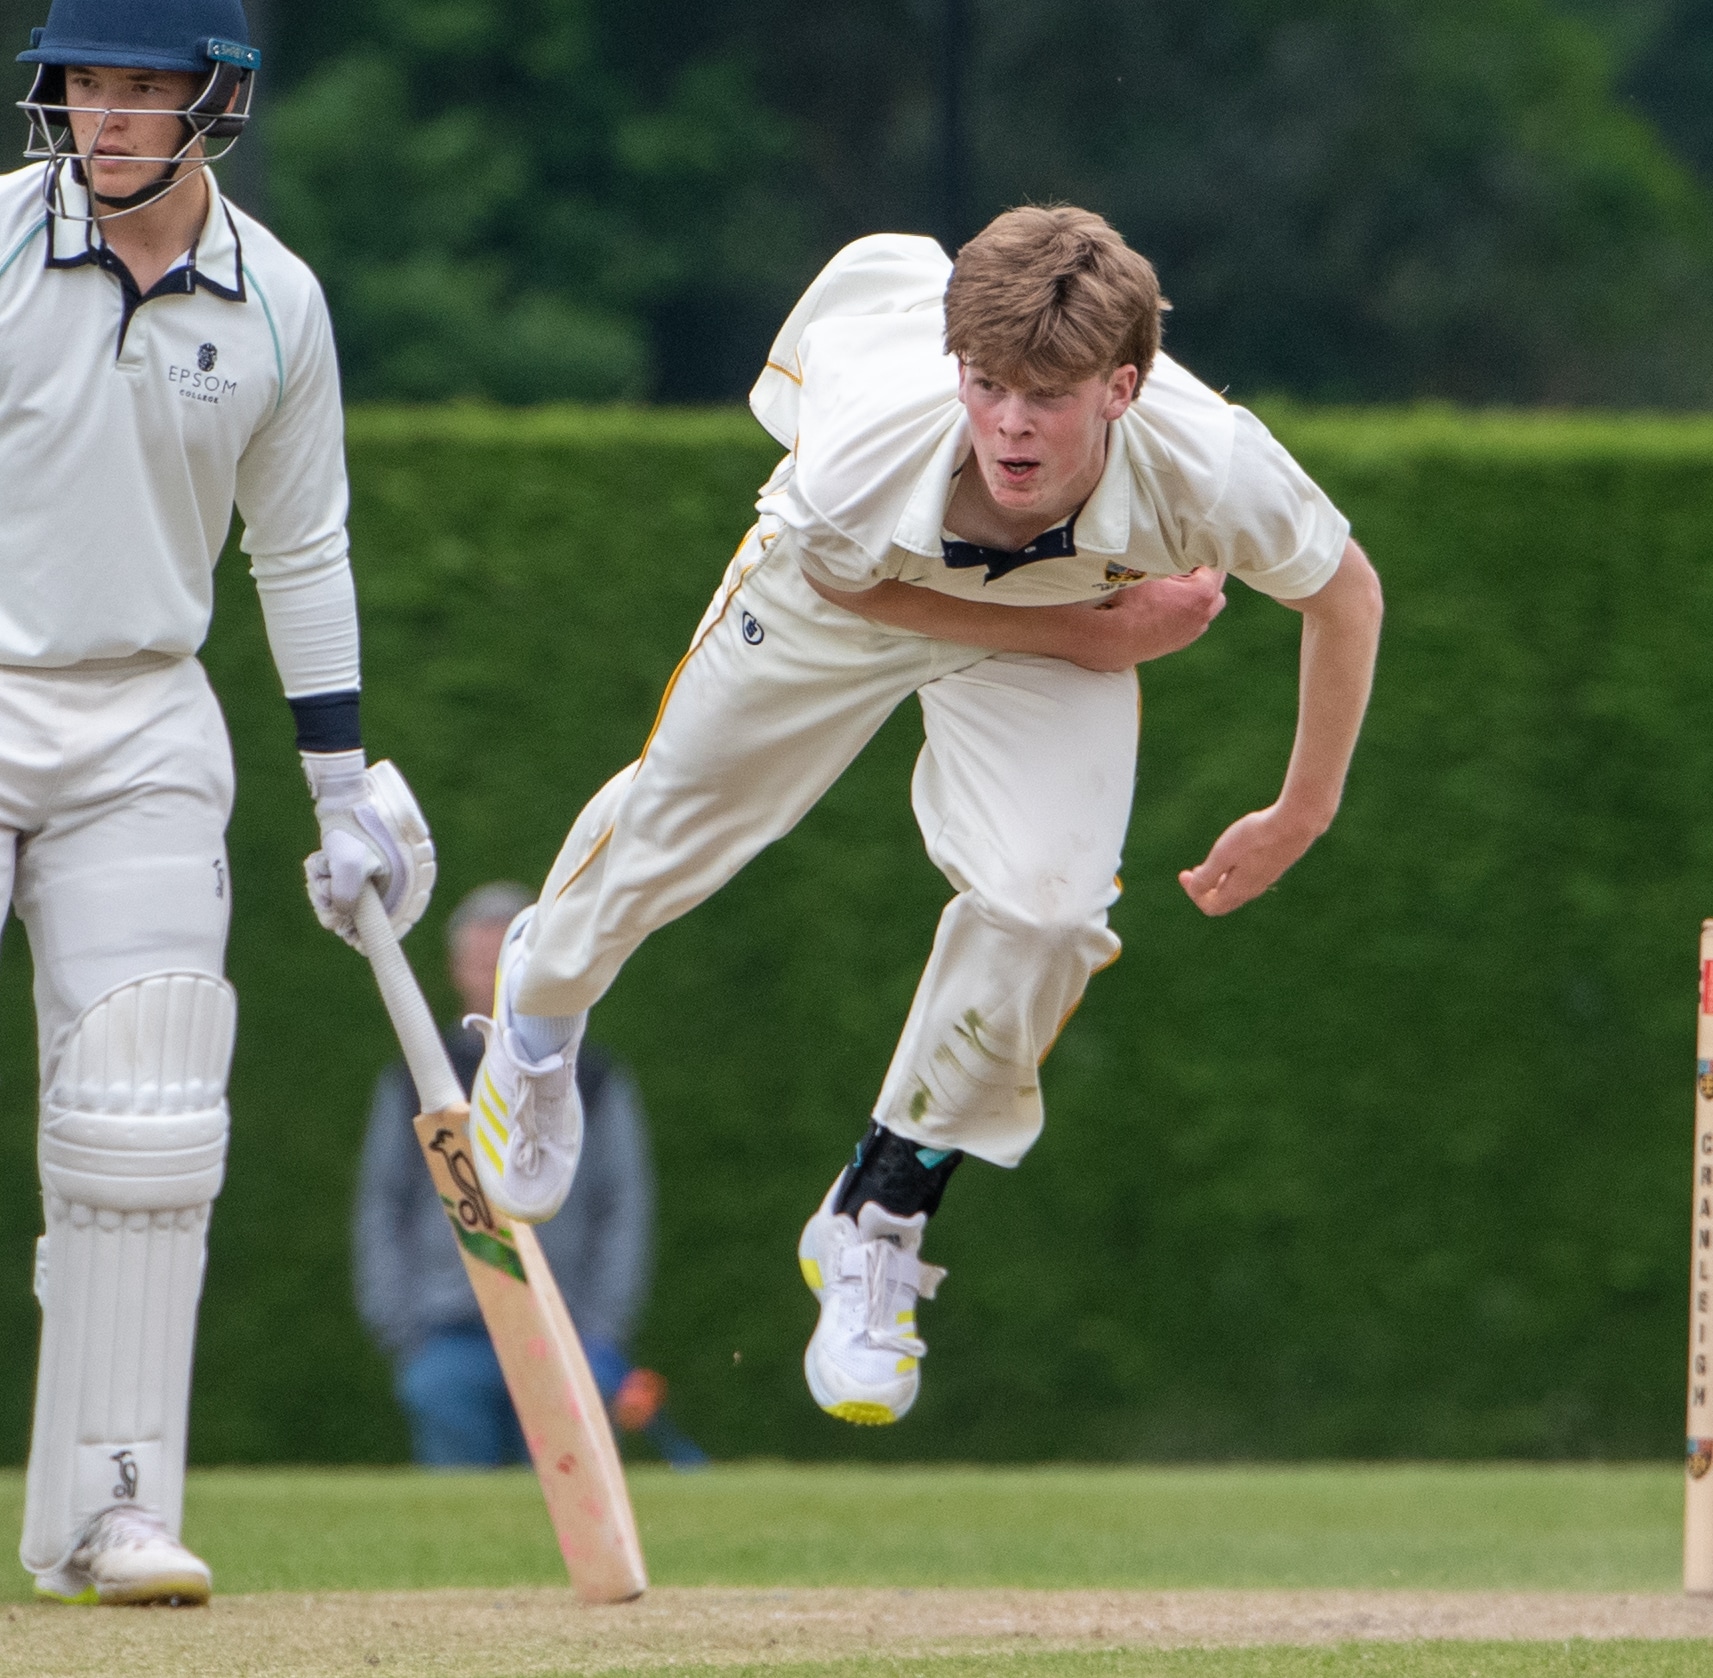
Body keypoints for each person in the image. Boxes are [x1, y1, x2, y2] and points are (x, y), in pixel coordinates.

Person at [463, 207, 1384, 1427]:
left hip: (1064, 616)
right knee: (686, 819)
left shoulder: (1206, 460)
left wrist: (1299, 813)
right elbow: (855, 581)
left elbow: (1345, 593)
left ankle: (879, 1210)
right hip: (846, 593)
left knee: (1050, 914)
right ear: (957, 368)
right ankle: (540, 1008)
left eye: (1048, 395)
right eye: (990, 385)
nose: (1011, 423)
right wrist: (1091, 632)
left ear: (1123, 384)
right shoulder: (867, 444)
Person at [6, 0, 434, 1605]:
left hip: (146, 716)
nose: (104, 116)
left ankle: (110, 1508)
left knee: (146, 1111)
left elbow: (299, 546)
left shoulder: (279, 305)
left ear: (215, 102)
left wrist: (344, 788)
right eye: (85, 84)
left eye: (138, 88)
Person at [354, 883, 706, 1470]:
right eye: (481, 962)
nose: (492, 977)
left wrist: (602, 1327)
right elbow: (381, 1205)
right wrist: (405, 1329)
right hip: (448, 1337)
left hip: (568, 1331)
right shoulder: (414, 1080)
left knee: (570, 1499)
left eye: (505, 964)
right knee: (459, 1515)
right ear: (456, 970)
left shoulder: (593, 1079)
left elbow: (624, 1205)